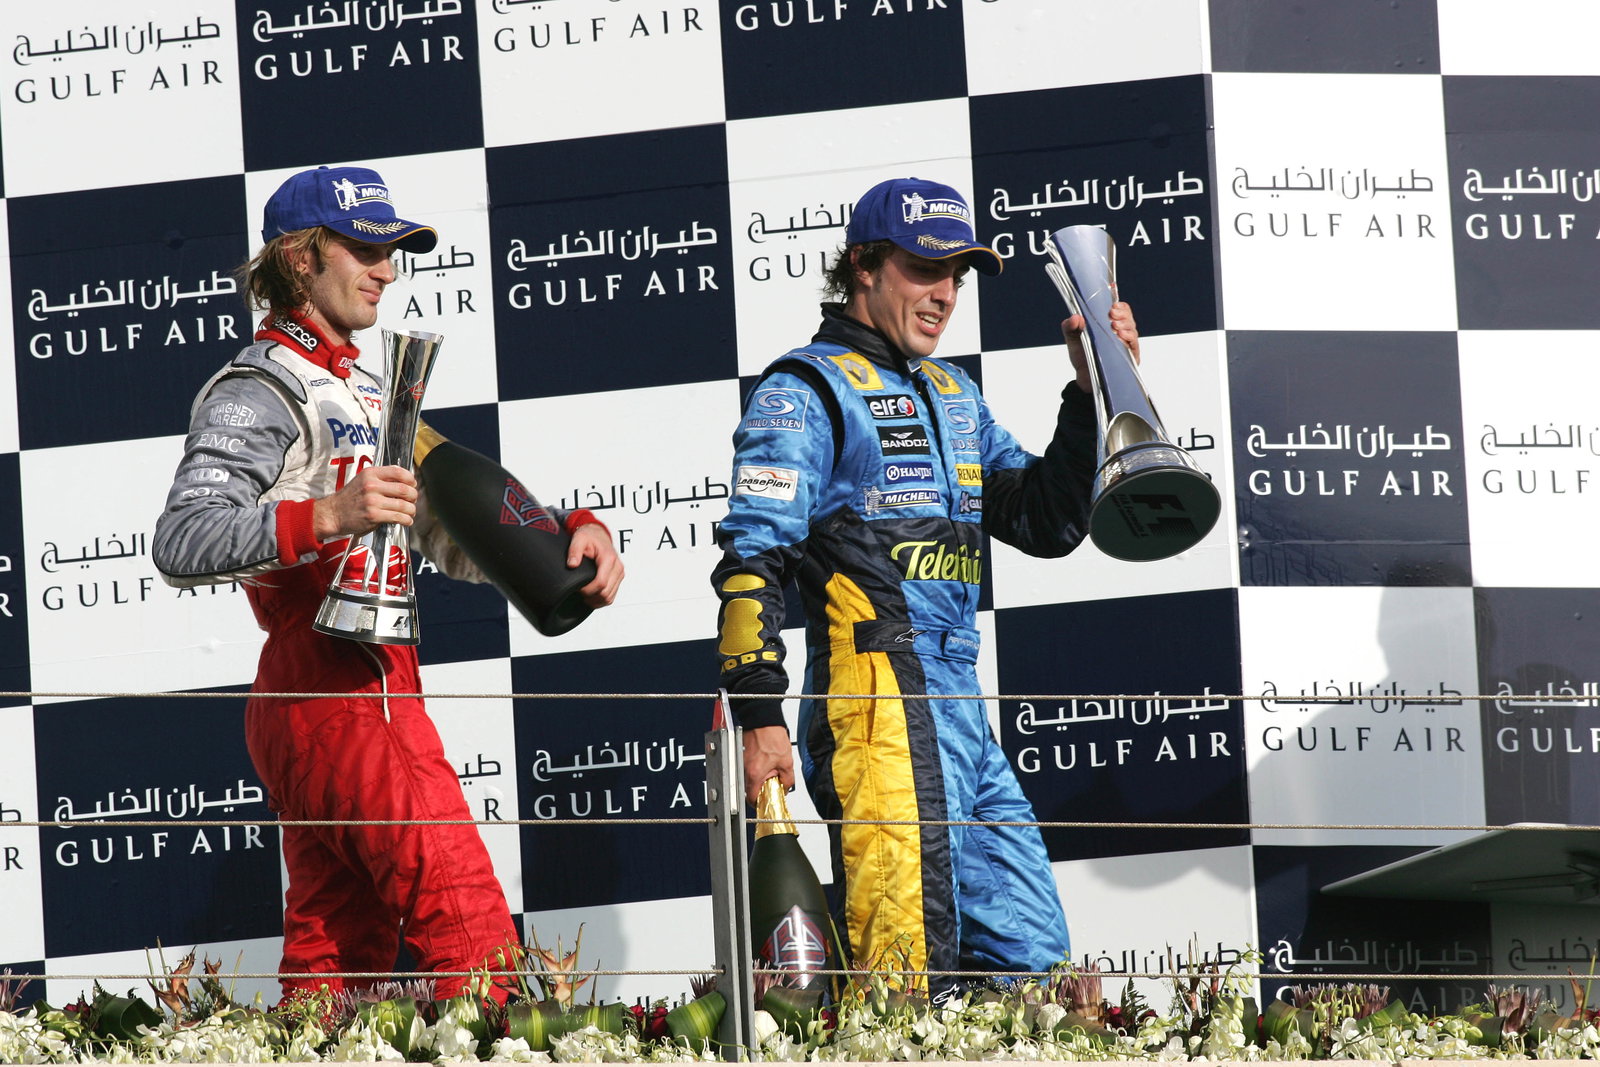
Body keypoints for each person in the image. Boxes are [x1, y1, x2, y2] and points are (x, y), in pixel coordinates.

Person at [153, 165, 624, 1003]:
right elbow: (184, 537)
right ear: (300, 258)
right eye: (367, 248)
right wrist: (327, 515)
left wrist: (567, 538)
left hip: (347, 696)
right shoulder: (259, 386)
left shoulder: (373, 391)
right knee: (470, 932)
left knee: (336, 968)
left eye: (394, 249)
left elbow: (453, 531)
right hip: (342, 695)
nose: (388, 268)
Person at [710, 177, 1138, 997]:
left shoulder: (956, 395)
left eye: (958, 275)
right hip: (874, 709)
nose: (944, 293)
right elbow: (749, 559)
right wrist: (758, 716)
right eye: (923, 268)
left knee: (1033, 965)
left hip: (962, 709)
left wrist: (1092, 390)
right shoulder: (805, 390)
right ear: (863, 267)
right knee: (904, 980)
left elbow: (1046, 521)